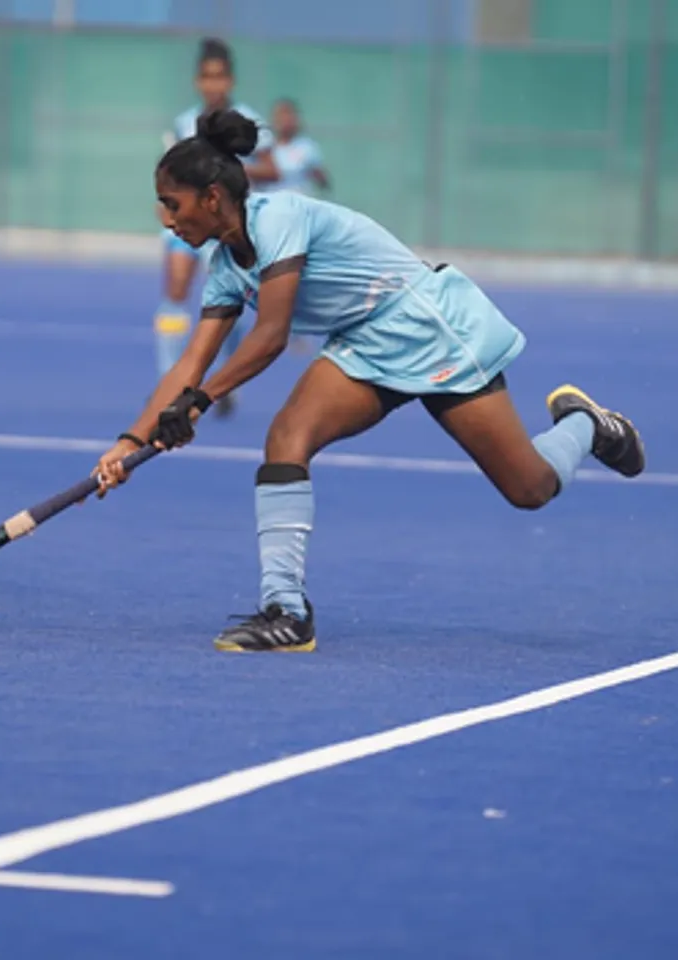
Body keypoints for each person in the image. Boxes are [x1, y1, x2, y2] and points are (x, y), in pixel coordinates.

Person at [96, 110, 645, 653]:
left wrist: (198, 402)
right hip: (363, 342)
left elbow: (270, 337)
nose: (167, 220)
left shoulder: (278, 219)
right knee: (288, 436)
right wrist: (128, 442)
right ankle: (286, 611)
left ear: (212, 197)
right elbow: (189, 364)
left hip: (428, 325)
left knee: (529, 488)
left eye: (173, 204)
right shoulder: (226, 266)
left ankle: (585, 427)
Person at [156, 38, 273, 417]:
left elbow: (272, 168)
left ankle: (223, 381)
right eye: (207, 77)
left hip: (226, 223)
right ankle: (168, 385)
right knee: (175, 290)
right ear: (197, 82)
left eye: (219, 77)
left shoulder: (246, 120)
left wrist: (227, 168)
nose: (213, 85)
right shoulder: (184, 122)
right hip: (190, 220)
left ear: (230, 80)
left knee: (230, 299)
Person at [254, 98, 330, 196]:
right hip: (270, 203)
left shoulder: (307, 147)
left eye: (288, 116)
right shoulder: (263, 147)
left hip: (299, 202)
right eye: (280, 116)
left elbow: (322, 180)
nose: (285, 121)